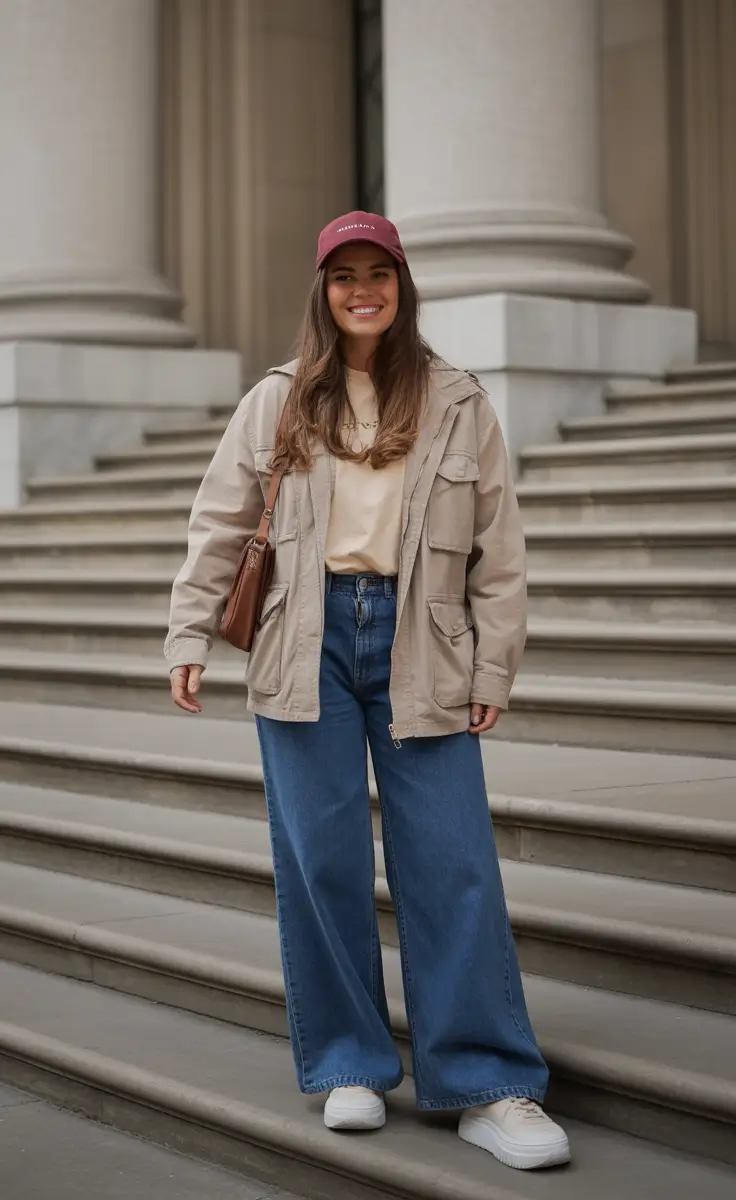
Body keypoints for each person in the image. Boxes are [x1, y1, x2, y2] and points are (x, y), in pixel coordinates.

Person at [165, 211, 570, 1172]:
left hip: (421, 637)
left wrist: (494, 662)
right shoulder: (278, 400)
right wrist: (189, 632)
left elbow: (498, 549)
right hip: (300, 640)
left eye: (377, 272)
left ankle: (487, 1082)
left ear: (401, 284)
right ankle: (350, 1062)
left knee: (452, 859)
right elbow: (220, 522)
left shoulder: (459, 400)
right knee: (322, 859)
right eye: (343, 274)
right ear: (322, 289)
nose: (361, 290)